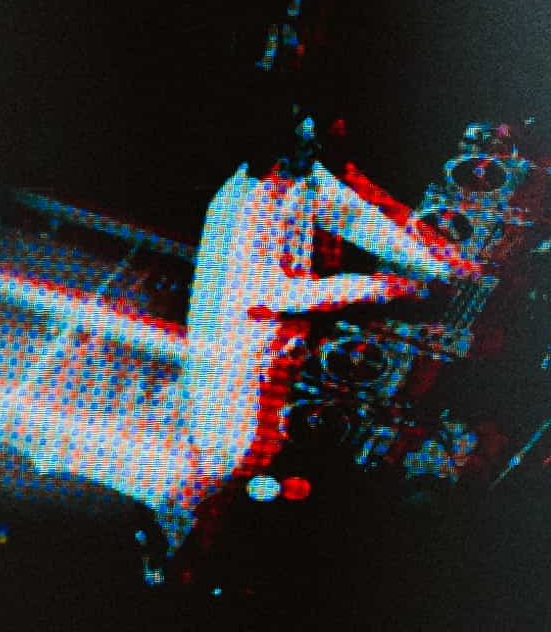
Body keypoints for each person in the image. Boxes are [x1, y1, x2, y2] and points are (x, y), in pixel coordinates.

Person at [172, 124, 464, 512]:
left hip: (279, 346)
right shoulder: (236, 214)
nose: (299, 179)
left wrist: (436, 266)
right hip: (236, 357)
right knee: (236, 451)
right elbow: (287, 294)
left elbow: (357, 220)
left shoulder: (301, 173)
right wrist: (390, 286)